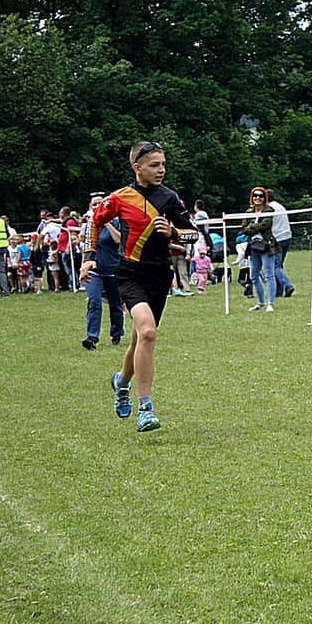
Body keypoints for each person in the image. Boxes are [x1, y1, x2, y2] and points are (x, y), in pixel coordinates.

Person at [80, 140, 199, 433]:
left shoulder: (169, 198)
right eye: (154, 165)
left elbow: (193, 235)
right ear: (137, 167)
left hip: (159, 276)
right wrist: (89, 257)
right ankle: (145, 408)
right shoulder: (120, 197)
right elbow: (94, 223)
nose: (161, 170)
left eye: (163, 164)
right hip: (130, 273)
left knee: (138, 341)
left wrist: (173, 232)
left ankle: (121, 382)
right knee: (147, 332)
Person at [82, 212, 125, 351]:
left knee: (116, 304)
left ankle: (116, 334)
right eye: (93, 205)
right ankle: (92, 337)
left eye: (98, 204)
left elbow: (118, 240)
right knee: (94, 301)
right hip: (94, 270)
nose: (96, 207)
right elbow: (87, 247)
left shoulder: (117, 223)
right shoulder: (91, 225)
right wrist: (83, 266)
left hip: (113, 270)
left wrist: (107, 223)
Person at [242, 186, 278, 312]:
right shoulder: (248, 212)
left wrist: (252, 226)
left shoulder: (269, 210)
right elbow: (244, 228)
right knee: (253, 276)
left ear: (264, 198)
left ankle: (270, 303)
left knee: (269, 275)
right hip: (253, 246)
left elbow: (265, 225)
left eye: (260, 196)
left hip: (267, 246)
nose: (258, 198)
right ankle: (260, 302)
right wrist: (253, 227)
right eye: (255, 195)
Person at [267, 189, 295, 297]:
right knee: (279, 266)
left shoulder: (269, 208)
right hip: (286, 237)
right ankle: (278, 292)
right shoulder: (280, 206)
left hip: (277, 239)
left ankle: (287, 285)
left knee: (275, 266)